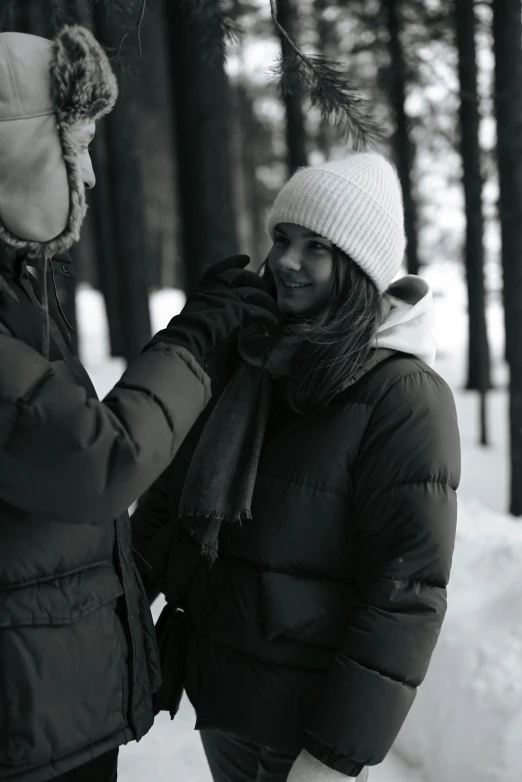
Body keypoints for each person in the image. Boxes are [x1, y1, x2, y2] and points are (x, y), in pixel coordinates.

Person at [0, 25, 277, 782]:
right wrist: (192, 341)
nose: (87, 174)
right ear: (21, 158)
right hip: (26, 726)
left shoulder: (18, 290)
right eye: (73, 147)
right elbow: (98, 462)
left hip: (45, 705)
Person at [132, 153, 461, 781]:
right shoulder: (251, 360)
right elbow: (170, 503)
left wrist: (333, 756)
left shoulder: (403, 395)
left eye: (317, 247)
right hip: (223, 700)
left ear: (360, 268)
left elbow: (406, 590)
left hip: (305, 729)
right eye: (282, 238)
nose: (286, 260)